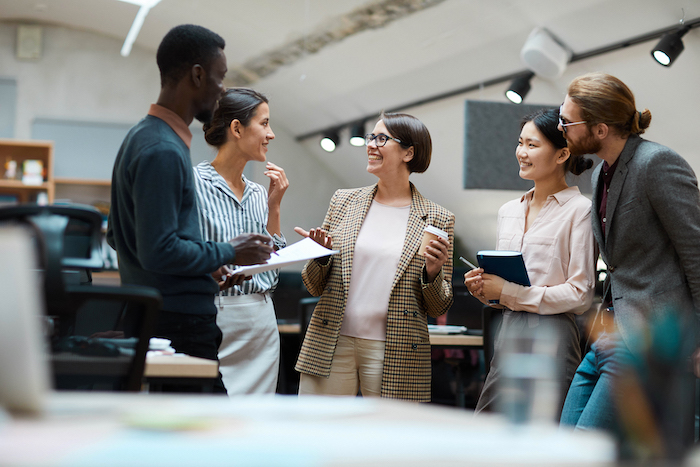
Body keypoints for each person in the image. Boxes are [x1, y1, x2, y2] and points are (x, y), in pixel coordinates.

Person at [107, 25, 273, 392]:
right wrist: (231, 251)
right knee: (206, 438)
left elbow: (118, 235)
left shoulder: (142, 136)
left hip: (161, 315)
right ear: (198, 75)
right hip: (179, 323)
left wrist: (205, 265)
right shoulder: (164, 150)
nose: (222, 90)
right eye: (220, 78)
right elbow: (159, 249)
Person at [558, 72, 700, 443]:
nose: (561, 128)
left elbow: (696, 253)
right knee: (563, 443)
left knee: (586, 447)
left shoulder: (657, 164)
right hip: (610, 336)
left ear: (600, 129)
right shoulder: (600, 174)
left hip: (651, 340)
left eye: (567, 122)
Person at [294, 112, 454, 402]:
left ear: (409, 152)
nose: (371, 145)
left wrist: (433, 272)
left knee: (388, 443)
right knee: (317, 434)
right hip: (331, 340)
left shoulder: (438, 218)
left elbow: (438, 305)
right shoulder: (343, 201)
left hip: (395, 348)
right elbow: (313, 285)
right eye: (371, 137)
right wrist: (319, 256)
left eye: (382, 139)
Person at [464, 108, 595, 417]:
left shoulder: (580, 210)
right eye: (520, 143)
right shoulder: (507, 210)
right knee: (488, 428)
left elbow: (580, 295)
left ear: (563, 154)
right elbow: (504, 291)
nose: (521, 152)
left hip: (554, 335)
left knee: (544, 440)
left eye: (532, 145)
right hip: (508, 330)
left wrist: (507, 291)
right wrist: (483, 288)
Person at [193, 88, 289, 395]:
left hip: (261, 323)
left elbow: (271, 274)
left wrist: (274, 208)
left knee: (256, 425)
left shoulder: (260, 194)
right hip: (214, 318)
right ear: (237, 128)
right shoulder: (193, 184)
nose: (271, 134)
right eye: (264, 124)